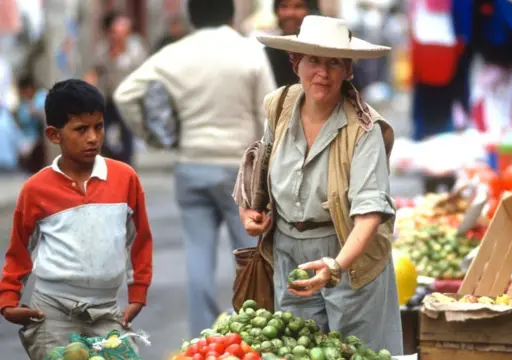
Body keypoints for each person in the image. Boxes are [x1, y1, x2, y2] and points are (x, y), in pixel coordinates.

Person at [240, 15, 402, 353]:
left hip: (347, 254)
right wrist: (252, 210)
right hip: (289, 252)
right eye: (313, 60)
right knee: (299, 346)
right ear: (295, 62)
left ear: (349, 70)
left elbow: (370, 211)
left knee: (356, 350)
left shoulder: (364, 128)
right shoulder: (279, 105)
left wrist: (336, 266)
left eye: (334, 63)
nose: (323, 73)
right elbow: (262, 162)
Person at [113, 0, 275, 338]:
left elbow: (126, 93)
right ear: (231, 14)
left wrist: (155, 138)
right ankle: (257, 337)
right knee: (252, 260)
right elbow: (270, 113)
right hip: (240, 171)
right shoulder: (248, 51)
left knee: (198, 260)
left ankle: (203, 342)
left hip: (191, 165)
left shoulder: (174, 54)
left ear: (190, 17)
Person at [0, 79, 153, 359]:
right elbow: (19, 250)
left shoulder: (125, 179)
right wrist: (8, 300)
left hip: (107, 311)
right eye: (81, 129)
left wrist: (138, 295)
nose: (93, 137)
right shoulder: (36, 189)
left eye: (99, 126)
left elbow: (140, 240)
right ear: (54, 135)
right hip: (53, 313)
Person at [85, 10, 148, 166]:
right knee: (101, 134)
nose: (117, 36)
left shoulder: (136, 49)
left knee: (127, 136)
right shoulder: (103, 49)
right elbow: (95, 70)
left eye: (122, 31)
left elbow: (145, 72)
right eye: (114, 32)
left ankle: (126, 168)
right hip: (110, 99)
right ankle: (113, 158)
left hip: (129, 100)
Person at [265, 0, 317, 87]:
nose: (290, 13)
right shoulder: (266, 55)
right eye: (284, 6)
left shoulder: (321, 52)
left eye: (298, 6)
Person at [15, 74, 47, 174]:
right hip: (28, 139)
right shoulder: (23, 103)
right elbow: (22, 120)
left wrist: (36, 112)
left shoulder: (41, 96)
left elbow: (43, 111)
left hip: (40, 139)